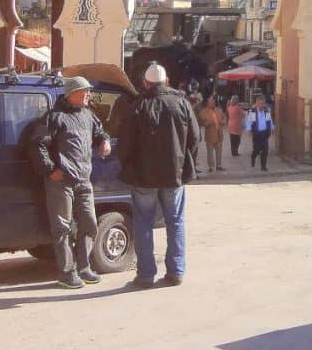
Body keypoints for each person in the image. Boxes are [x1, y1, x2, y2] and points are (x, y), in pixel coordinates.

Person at [117, 62, 200, 288]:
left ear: (145, 83)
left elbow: (124, 144)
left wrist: (128, 167)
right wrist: (184, 164)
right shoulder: (182, 104)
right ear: (167, 82)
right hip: (174, 176)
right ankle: (176, 272)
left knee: (143, 223)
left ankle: (145, 276)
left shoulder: (137, 107)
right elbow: (194, 139)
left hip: (143, 178)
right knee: (175, 222)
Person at [30, 76, 111, 289]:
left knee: (90, 223)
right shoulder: (54, 117)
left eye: (88, 91)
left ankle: (84, 268)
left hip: (84, 180)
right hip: (61, 182)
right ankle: (66, 273)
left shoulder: (88, 115)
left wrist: (104, 140)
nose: (88, 95)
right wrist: (51, 170)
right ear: (71, 94)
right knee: (62, 228)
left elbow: (99, 131)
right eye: (84, 91)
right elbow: (38, 146)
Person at [245, 94, 275, 171]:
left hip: (265, 133)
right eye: (260, 103)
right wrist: (248, 130)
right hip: (256, 133)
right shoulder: (253, 112)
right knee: (257, 149)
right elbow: (249, 121)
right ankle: (253, 156)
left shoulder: (266, 111)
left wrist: (272, 128)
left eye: (263, 103)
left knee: (265, 150)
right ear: (257, 103)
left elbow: (269, 120)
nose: (261, 105)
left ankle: (263, 166)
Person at [197, 95, 225, 172]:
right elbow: (202, 122)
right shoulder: (203, 112)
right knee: (210, 152)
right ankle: (211, 167)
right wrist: (209, 122)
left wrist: (223, 122)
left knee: (219, 151)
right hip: (210, 134)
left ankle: (219, 165)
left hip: (219, 134)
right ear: (207, 103)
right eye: (211, 101)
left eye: (213, 101)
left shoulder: (219, 110)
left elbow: (224, 118)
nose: (212, 103)